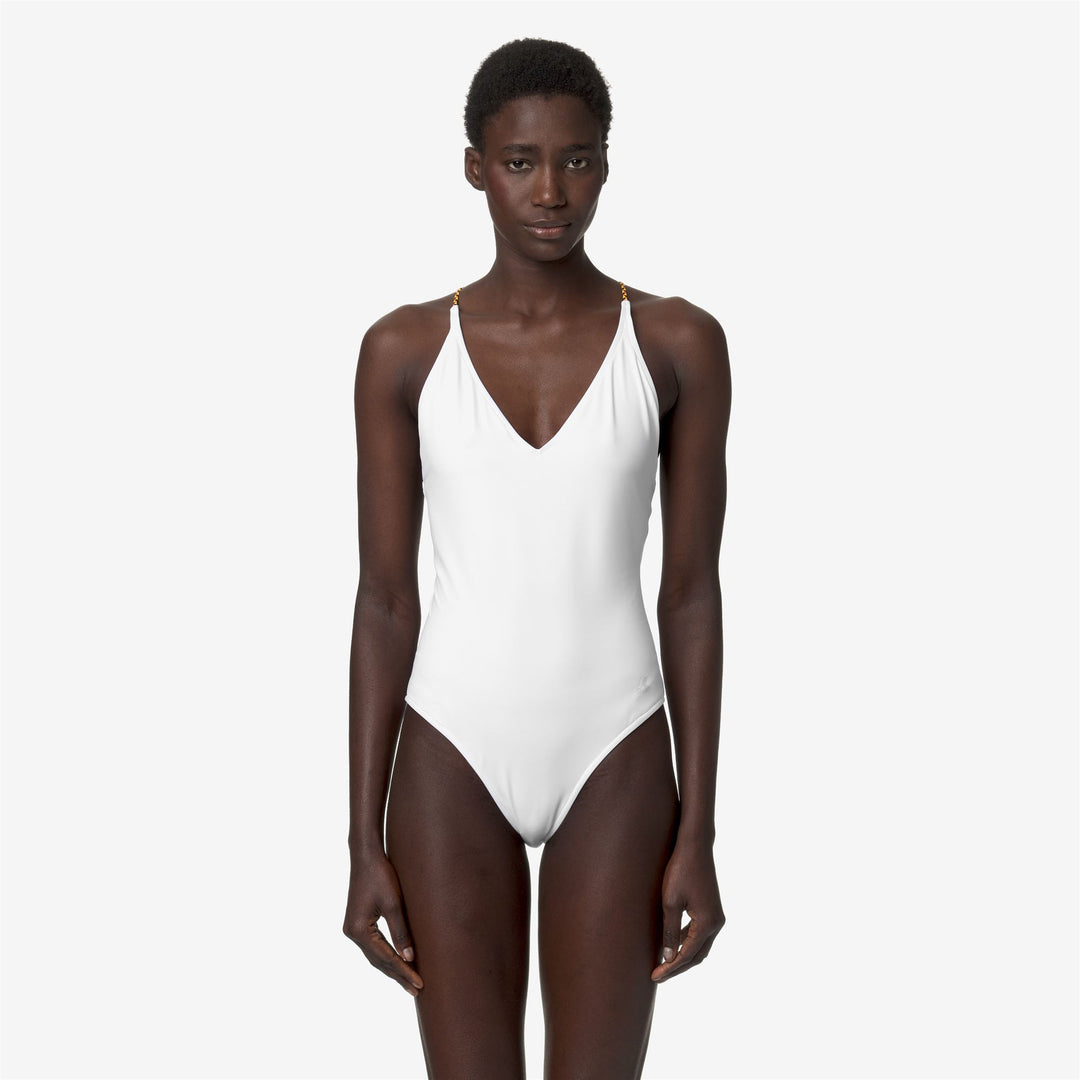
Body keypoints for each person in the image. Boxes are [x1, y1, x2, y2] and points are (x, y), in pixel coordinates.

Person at [343, 37, 731, 1079]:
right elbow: (384, 601)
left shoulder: (677, 343)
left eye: (578, 159)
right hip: (448, 749)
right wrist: (362, 841)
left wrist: (699, 831)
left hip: (618, 746)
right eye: (521, 162)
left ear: (606, 164)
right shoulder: (403, 351)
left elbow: (691, 595)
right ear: (476, 167)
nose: (552, 191)